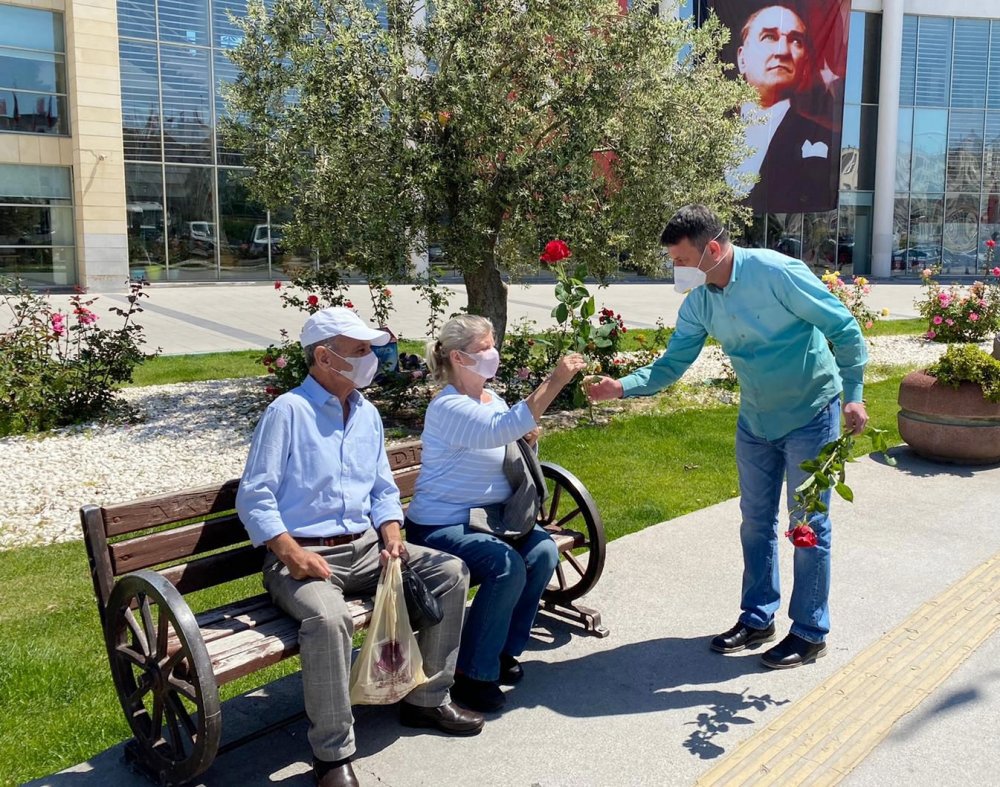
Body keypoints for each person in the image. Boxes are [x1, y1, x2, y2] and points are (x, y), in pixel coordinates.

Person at [586, 205, 869, 670]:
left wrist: (853, 395)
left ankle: (810, 631)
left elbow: (843, 327)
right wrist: (622, 387)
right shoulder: (700, 301)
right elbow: (672, 364)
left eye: (680, 260)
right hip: (756, 422)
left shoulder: (778, 274)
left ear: (712, 249)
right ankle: (758, 616)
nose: (675, 270)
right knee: (754, 524)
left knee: (808, 528)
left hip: (812, 414)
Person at [236, 307, 483, 787]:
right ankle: (332, 754)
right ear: (325, 357)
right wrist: (290, 553)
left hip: (367, 548)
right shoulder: (288, 411)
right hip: (305, 556)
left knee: (450, 572)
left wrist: (392, 530)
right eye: (361, 351)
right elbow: (256, 495)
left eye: (372, 349)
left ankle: (428, 699)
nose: (373, 359)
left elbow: (381, 487)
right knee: (329, 619)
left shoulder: (365, 412)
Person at [404, 315, 587, 711]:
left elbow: (507, 443)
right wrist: (555, 381)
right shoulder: (448, 405)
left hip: (489, 520)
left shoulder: (492, 399)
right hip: (442, 523)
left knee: (542, 553)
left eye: (492, 344)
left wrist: (527, 439)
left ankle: (501, 651)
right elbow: (496, 430)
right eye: (483, 348)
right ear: (458, 357)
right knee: (506, 565)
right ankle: (473, 674)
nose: (493, 353)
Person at [733, 4, 836, 214]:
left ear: (805, 66)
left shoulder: (825, 140)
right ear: (742, 59)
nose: (782, 51)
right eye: (769, 37)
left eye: (795, 40)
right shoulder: (705, 131)